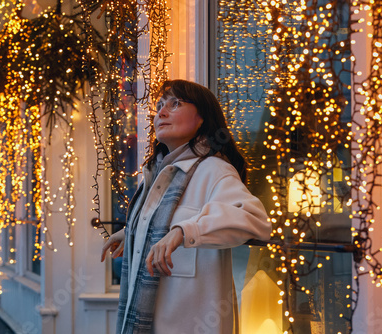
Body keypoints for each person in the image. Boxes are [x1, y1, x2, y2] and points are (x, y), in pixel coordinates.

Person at [101, 79, 271, 334]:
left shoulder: (214, 169)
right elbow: (163, 224)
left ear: (202, 117)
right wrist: (134, 232)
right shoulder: (157, 176)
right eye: (159, 106)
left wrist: (184, 232)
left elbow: (254, 220)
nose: (162, 112)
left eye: (175, 104)